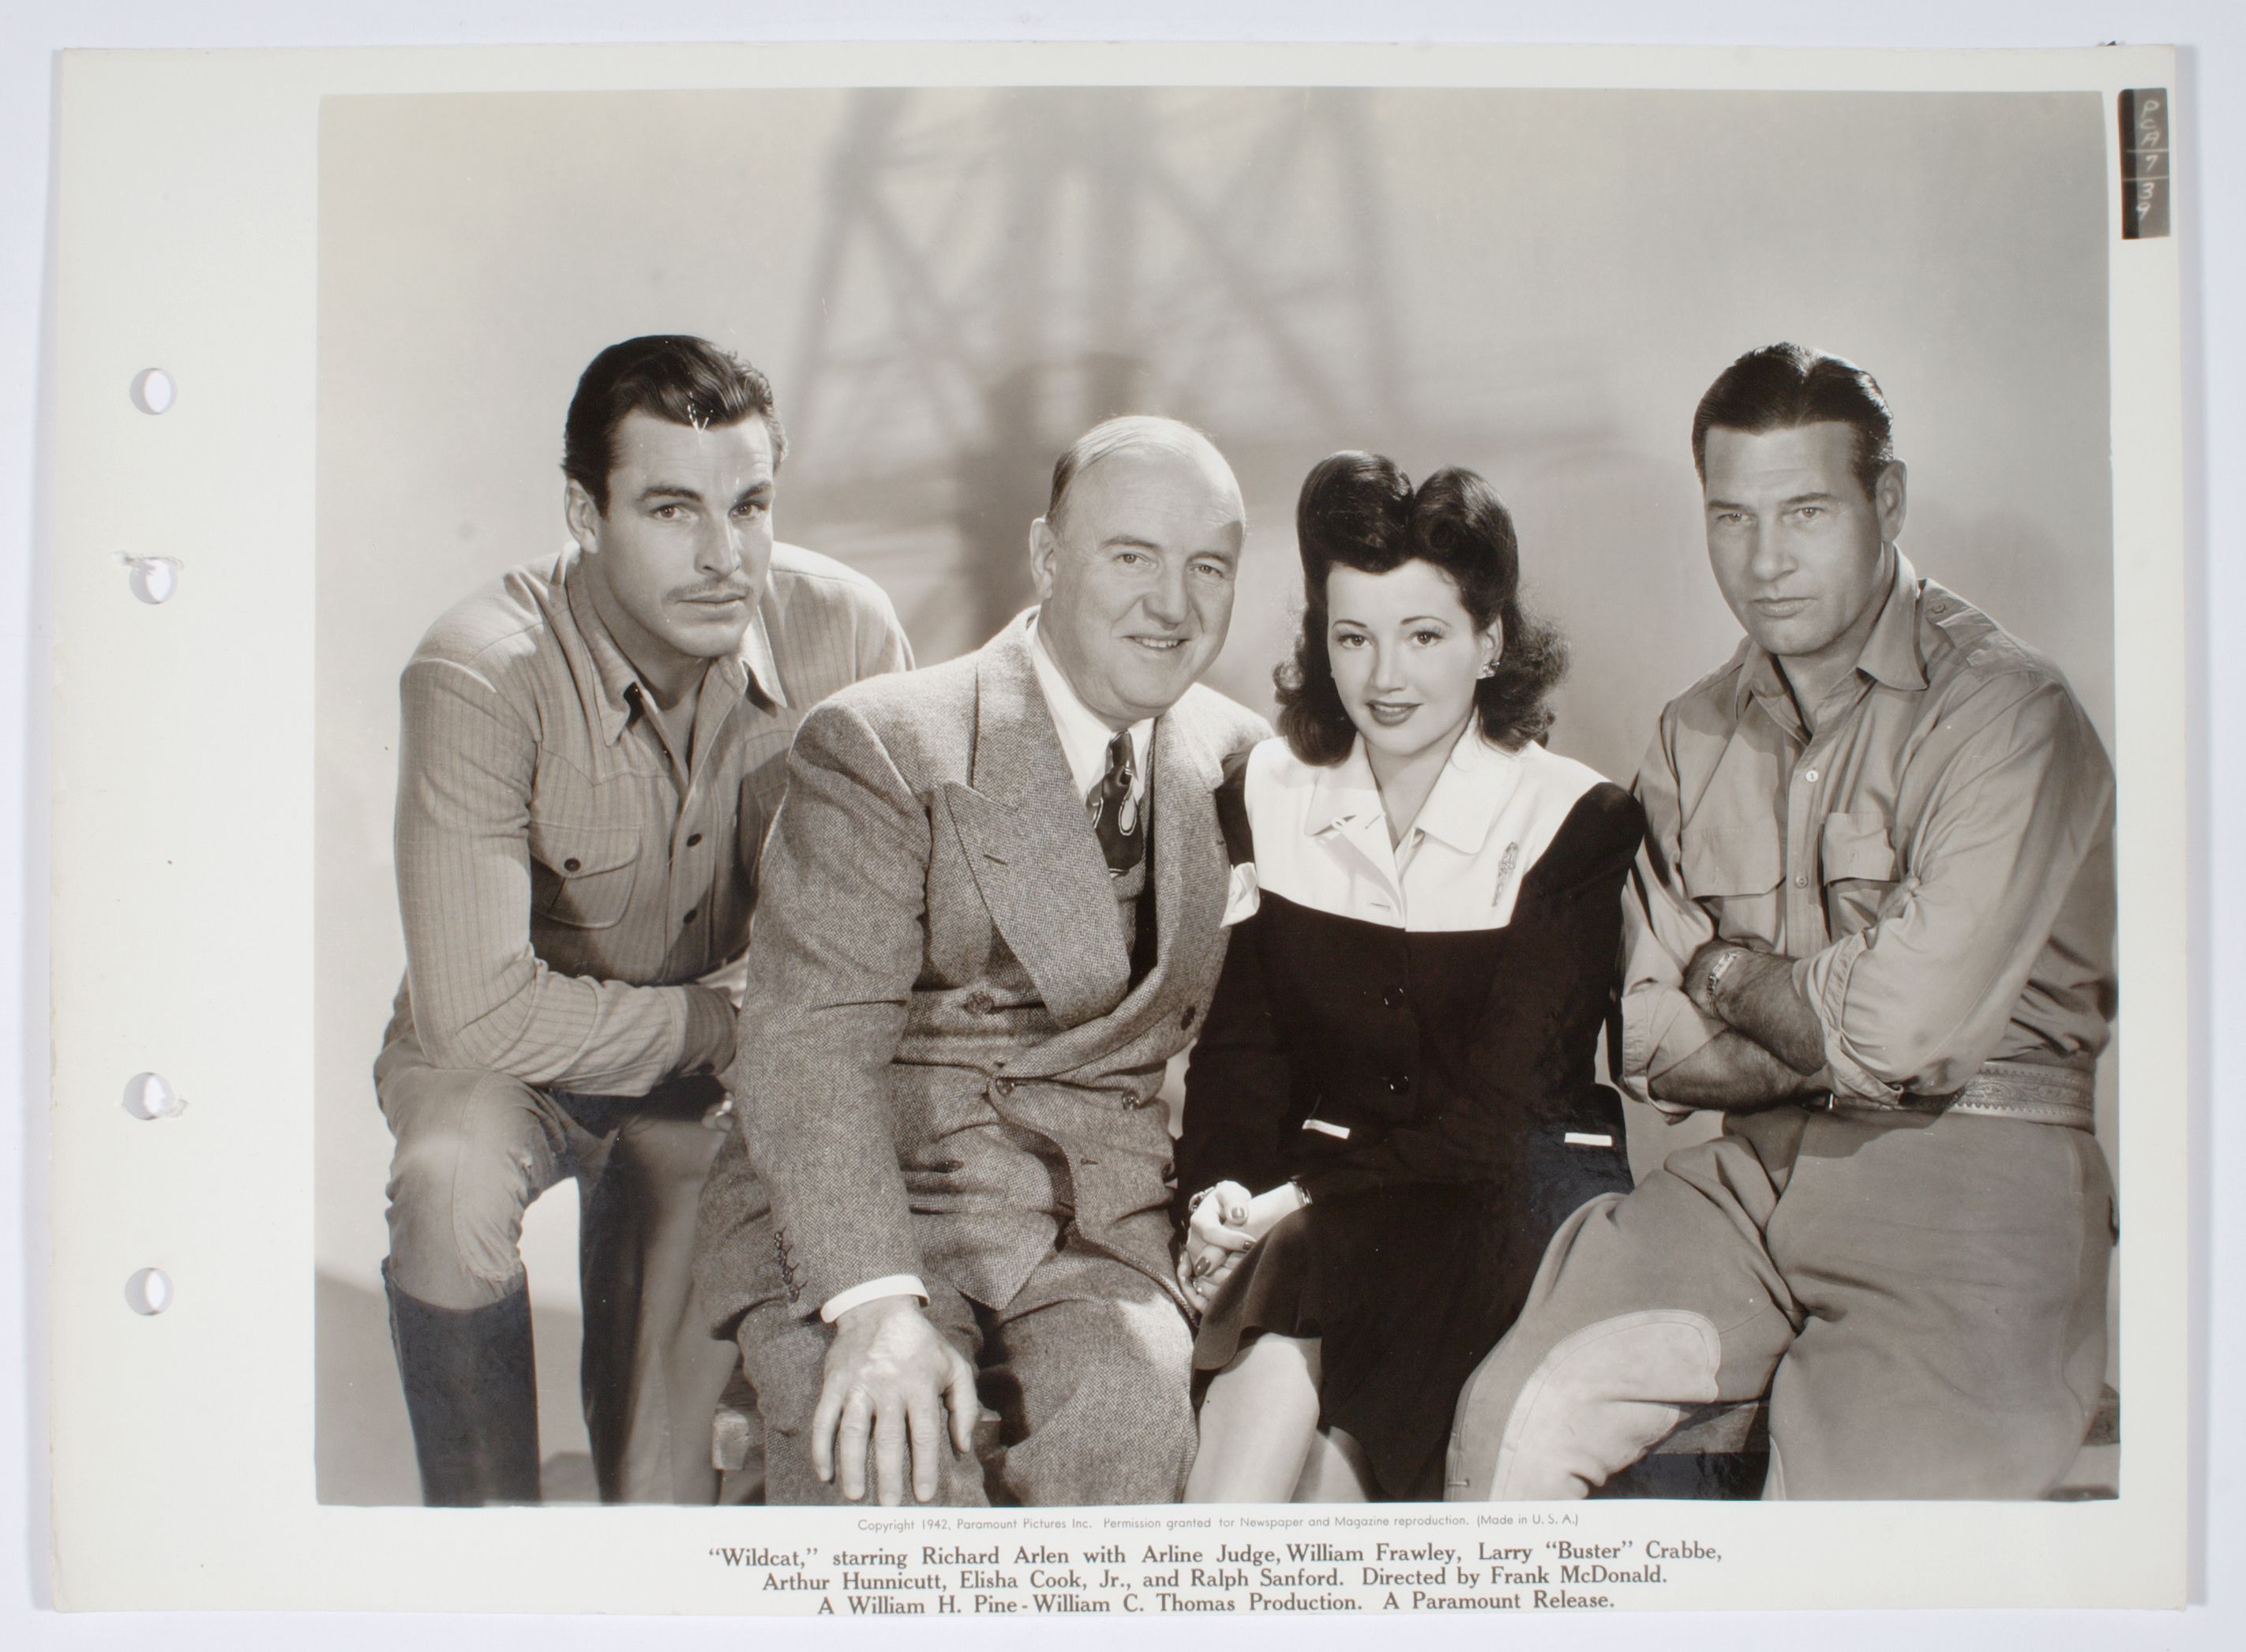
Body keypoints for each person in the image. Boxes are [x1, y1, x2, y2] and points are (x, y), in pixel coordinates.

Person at [1446, 343, 2117, 1501]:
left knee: (1850, 1540)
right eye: (1731, 517)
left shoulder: (2008, 714)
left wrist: (1721, 972)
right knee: (1510, 1417)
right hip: (1750, 1185)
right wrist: (1819, 1022)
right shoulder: (1691, 732)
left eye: (1805, 512)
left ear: (1886, 501)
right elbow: (1648, 1041)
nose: (1763, 562)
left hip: (1972, 1179)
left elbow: (1900, 1034)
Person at [693, 415, 1269, 1508]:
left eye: (1209, 567)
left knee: (1136, 1430)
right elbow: (808, 1054)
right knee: (892, 1476)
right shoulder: (883, 740)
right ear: (1047, 556)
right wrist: (872, 1303)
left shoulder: (1242, 761)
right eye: (1132, 556)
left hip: (1094, 1231)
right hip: (865, 1210)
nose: (1173, 605)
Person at [376, 335, 911, 1505]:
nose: (725, 556)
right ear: (585, 512)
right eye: (672, 510)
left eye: (749, 505)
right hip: (512, 1052)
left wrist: (745, 1044)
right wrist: (718, 1025)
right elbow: (476, 1014)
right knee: (449, 1186)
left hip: (705, 1071)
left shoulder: (848, 634)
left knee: (656, 1464)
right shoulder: (476, 671)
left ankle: (646, 1548)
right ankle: (481, 1542)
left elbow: (892, 920)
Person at [1173, 453, 1644, 1503]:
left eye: (1423, 635)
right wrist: (1222, 1193)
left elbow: (1504, 1114)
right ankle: (1220, 1560)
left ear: (1491, 641)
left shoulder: (1575, 819)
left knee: (1309, 1272)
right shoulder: (1269, 790)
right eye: (1353, 637)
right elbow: (1243, 1051)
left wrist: (1291, 1200)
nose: (1384, 676)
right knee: (1295, 1295)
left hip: (1509, 1198)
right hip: (1323, 1208)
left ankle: (1216, 1566)